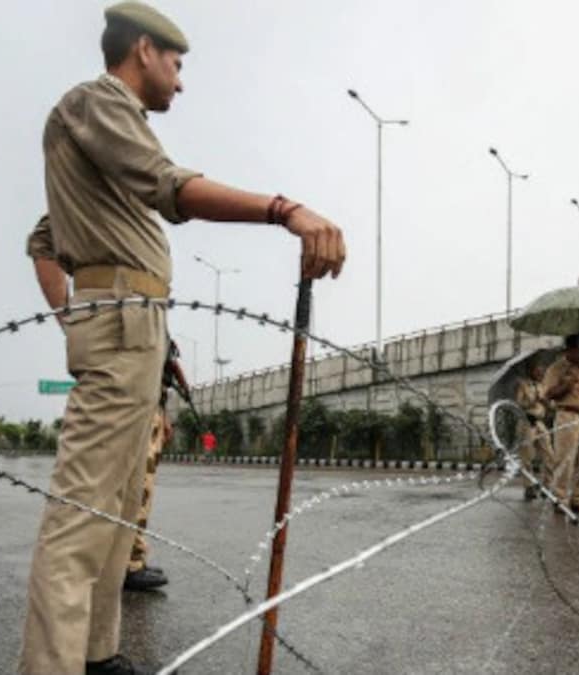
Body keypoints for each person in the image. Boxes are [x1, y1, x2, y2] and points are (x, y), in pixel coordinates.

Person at [20, 3, 346, 673]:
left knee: (114, 508)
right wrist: (282, 209)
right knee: (83, 510)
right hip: (118, 322)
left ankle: (97, 650)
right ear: (143, 49)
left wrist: (99, 319)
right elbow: (171, 188)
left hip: (135, 325)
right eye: (176, 63)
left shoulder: (106, 138)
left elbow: (45, 238)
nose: (181, 80)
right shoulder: (96, 103)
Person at [123, 339, 187, 592]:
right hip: (138, 407)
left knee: (136, 488)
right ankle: (130, 564)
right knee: (139, 488)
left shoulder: (154, 316)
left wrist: (163, 414)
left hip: (148, 406)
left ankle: (128, 559)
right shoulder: (143, 307)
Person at [542, 334, 579, 514]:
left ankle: (578, 499)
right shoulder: (556, 368)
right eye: (578, 349)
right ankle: (560, 499)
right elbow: (548, 394)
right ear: (569, 349)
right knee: (565, 460)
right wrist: (565, 385)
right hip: (568, 416)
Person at [514, 360, 555, 500]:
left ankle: (547, 486)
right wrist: (532, 399)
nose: (540, 373)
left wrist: (546, 403)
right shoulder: (523, 385)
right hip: (527, 422)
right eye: (537, 370)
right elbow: (519, 404)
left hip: (540, 423)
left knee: (549, 455)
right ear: (531, 371)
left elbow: (550, 406)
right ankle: (529, 487)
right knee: (527, 456)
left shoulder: (543, 386)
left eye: (541, 371)